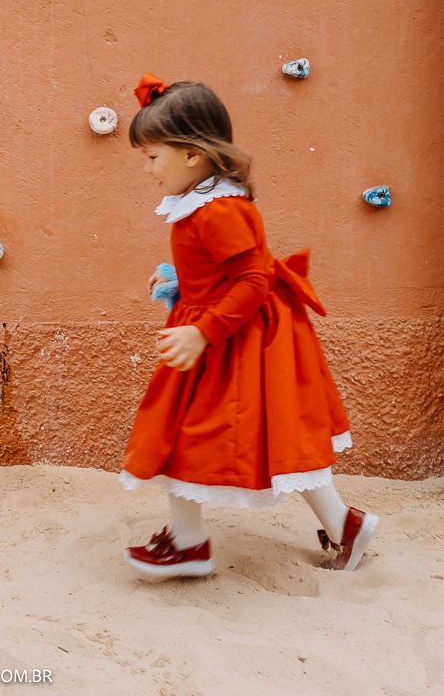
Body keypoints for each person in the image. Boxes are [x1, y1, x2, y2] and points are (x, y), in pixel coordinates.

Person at [119, 73, 379, 577]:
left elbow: (253, 280)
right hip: (224, 330)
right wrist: (177, 280)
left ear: (192, 155)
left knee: (176, 436)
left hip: (232, 339)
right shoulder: (204, 202)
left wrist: (201, 331)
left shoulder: (219, 210)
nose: (149, 171)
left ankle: (190, 546)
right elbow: (223, 268)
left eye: (153, 157)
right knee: (277, 440)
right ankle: (343, 525)